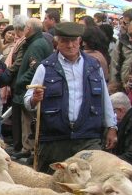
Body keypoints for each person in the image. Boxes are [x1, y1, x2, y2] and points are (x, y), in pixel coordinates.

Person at [25, 22, 117, 174]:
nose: (70, 45)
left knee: (90, 180)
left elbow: (104, 99)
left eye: (74, 41)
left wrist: (112, 127)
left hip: (87, 136)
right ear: (57, 42)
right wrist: (34, 99)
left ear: (80, 41)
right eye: (65, 41)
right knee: (52, 185)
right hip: (55, 139)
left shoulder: (93, 66)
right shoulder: (45, 67)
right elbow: (28, 100)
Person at [11, 17, 52, 159]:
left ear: (29, 29)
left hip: (29, 88)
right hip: (28, 88)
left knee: (29, 121)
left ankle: (30, 149)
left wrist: (20, 81)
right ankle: (27, 147)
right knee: (26, 121)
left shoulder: (36, 45)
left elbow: (35, 68)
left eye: (26, 27)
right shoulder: (36, 42)